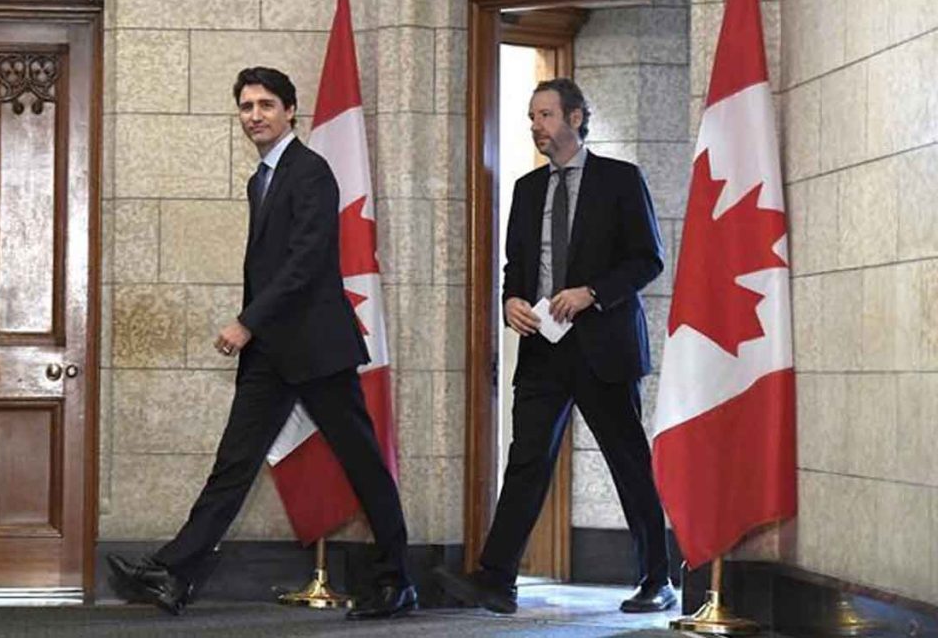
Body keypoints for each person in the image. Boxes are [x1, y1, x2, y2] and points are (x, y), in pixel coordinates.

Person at [107, 66, 416, 621]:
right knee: (234, 464)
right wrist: (257, 331)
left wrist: (246, 321)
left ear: (290, 111)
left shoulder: (311, 172)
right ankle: (176, 575)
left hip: (318, 349)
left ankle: (397, 582)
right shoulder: (262, 178)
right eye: (247, 106)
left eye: (266, 105)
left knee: (363, 464)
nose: (255, 116)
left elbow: (304, 264)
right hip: (274, 353)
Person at [435, 77, 674, 614]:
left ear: (575, 117)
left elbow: (648, 259)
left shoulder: (620, 180)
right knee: (526, 460)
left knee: (627, 461)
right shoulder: (525, 189)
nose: (536, 126)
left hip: (603, 346)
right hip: (544, 347)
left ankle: (656, 579)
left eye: (544, 115)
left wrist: (592, 293)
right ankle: (496, 579)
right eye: (532, 116)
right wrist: (510, 302)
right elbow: (515, 269)